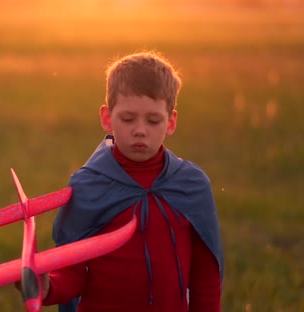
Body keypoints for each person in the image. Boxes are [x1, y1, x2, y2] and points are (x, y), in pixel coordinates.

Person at [22, 51, 224, 312]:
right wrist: (47, 287)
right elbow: (73, 272)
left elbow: (205, 275)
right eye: (128, 119)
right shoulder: (89, 186)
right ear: (107, 118)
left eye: (153, 120)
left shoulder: (191, 185)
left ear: (171, 122)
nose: (140, 130)